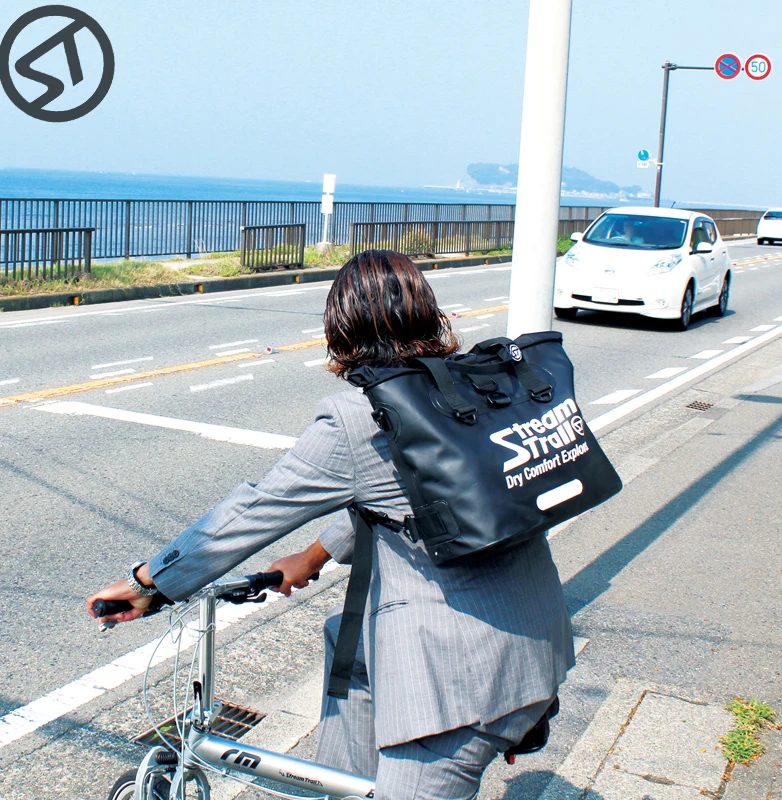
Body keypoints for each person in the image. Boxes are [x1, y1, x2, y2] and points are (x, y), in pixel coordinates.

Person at [87, 249, 575, 800]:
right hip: (538, 635)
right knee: (349, 640)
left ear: (341, 331)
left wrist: (148, 582)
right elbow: (401, 501)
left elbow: (252, 511)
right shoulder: (463, 390)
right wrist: (312, 556)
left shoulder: (359, 419)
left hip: (462, 686)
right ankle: (344, 784)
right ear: (427, 313)